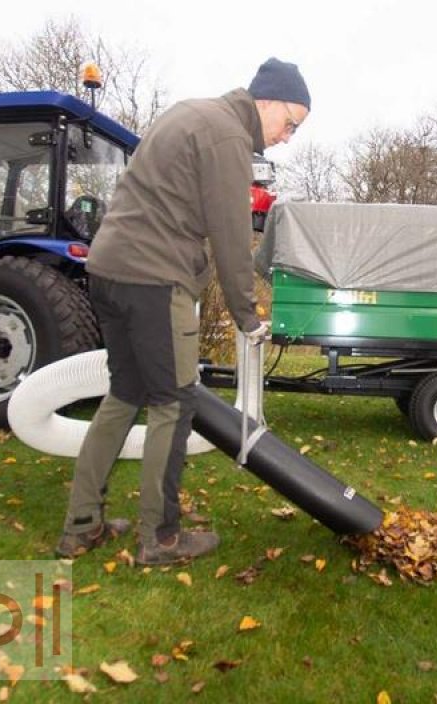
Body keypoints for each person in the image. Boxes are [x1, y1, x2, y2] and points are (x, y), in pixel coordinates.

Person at [55, 57, 311, 565]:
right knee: (173, 405)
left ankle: (81, 526)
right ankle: (161, 538)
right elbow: (231, 236)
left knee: (124, 395)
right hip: (153, 279)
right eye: (291, 123)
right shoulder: (228, 137)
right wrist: (247, 316)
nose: (287, 136)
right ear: (267, 102)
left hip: (108, 270)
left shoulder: (190, 112)